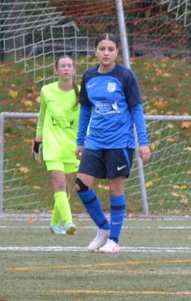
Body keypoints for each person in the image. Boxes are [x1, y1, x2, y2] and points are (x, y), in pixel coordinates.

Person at [74, 34, 150, 254]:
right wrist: (81, 140)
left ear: (117, 52)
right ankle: (104, 229)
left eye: (110, 49)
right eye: (101, 48)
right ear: (95, 51)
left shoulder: (126, 76)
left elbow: (136, 109)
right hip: (95, 141)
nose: (106, 53)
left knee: (115, 190)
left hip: (120, 142)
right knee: (81, 185)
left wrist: (142, 142)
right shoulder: (88, 76)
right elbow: (86, 109)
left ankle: (114, 241)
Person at [32, 55, 81, 236]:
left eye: (69, 66)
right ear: (56, 70)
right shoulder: (47, 90)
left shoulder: (81, 93)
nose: (66, 69)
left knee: (67, 188)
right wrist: (38, 140)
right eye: (62, 66)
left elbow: (86, 119)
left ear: (74, 70)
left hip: (72, 146)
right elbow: (42, 116)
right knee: (59, 184)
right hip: (52, 145)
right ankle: (68, 222)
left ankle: (54, 223)